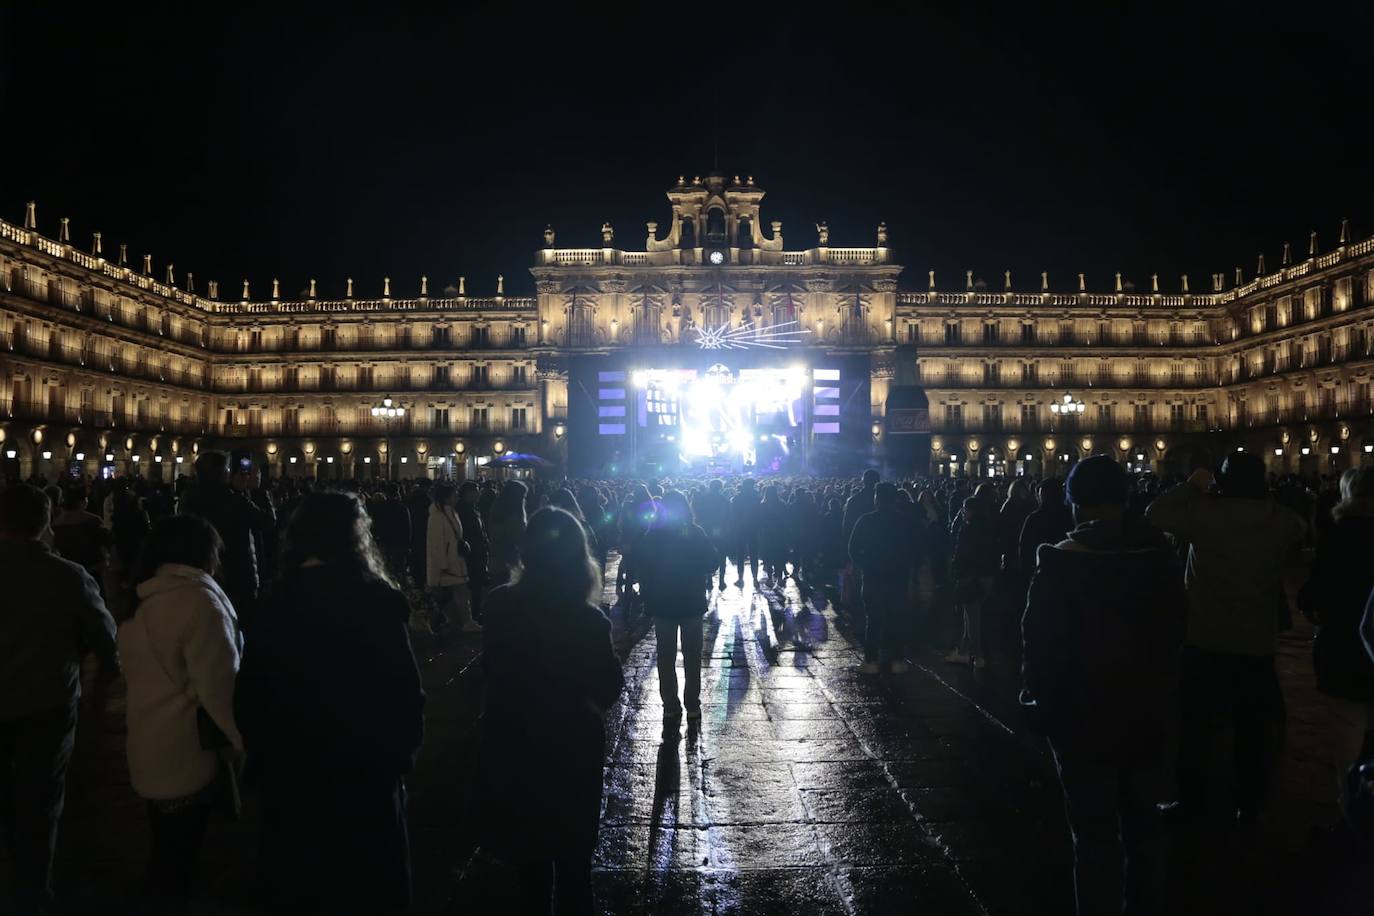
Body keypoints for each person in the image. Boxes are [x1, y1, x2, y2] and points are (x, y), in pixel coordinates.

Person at [235, 492, 425, 914]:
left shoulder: (274, 603)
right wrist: (398, 759)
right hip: (365, 773)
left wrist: (266, 757)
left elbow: (249, 696)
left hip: (292, 775)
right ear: (356, 537)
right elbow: (405, 694)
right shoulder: (377, 601)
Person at [1021, 456, 1187, 916]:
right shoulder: (1161, 560)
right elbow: (1177, 631)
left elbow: (1041, 648)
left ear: (1075, 504)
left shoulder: (1058, 565)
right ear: (1126, 500)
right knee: (1145, 832)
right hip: (1147, 713)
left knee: (1093, 839)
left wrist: (1042, 704)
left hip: (1081, 720)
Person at [1145, 452, 1306, 823]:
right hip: (1256, 641)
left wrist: (1193, 486)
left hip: (1206, 638)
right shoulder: (1279, 522)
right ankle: (1250, 800)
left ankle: (1194, 799)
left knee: (1198, 727)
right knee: (1254, 729)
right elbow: (1300, 527)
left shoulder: (1204, 516)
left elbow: (1155, 513)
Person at [477, 508, 623, 915]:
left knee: (530, 870)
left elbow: (491, 671)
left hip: (516, 742)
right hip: (572, 747)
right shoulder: (588, 619)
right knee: (575, 867)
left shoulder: (499, 606)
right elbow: (608, 687)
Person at [0, 483, 119, 913]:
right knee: (41, 800)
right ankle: (33, 889)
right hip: (46, 702)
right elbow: (105, 637)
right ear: (45, 523)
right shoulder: (68, 576)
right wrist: (103, 676)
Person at [120, 514, 243, 912]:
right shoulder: (199, 602)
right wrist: (245, 744)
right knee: (184, 855)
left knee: (164, 847)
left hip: (147, 740)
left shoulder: (141, 600)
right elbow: (219, 687)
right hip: (189, 747)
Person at [1298, 466, 1374, 820]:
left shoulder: (1342, 536)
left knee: (1349, 739)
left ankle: (1354, 815)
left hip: (1346, 653)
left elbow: (1315, 594)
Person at [637, 490, 719, 722]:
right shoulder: (694, 533)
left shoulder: (653, 536)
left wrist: (647, 596)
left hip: (663, 603)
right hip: (690, 600)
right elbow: (712, 562)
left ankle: (670, 704)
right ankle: (692, 703)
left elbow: (644, 568)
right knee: (692, 655)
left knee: (665, 656)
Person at [177, 452, 270, 628]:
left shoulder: (188, 499)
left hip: (201, 572)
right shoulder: (234, 500)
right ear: (222, 473)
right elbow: (267, 522)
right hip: (238, 576)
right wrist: (257, 490)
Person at [848, 482, 919, 674]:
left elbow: (853, 547)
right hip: (898, 577)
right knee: (897, 618)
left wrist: (864, 565)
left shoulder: (866, 520)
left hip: (873, 576)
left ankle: (871, 661)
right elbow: (914, 548)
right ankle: (897, 660)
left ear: (877, 499)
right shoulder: (905, 521)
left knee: (874, 619)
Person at [949, 489, 1001, 668]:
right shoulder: (990, 527)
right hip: (987, 575)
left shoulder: (968, 529)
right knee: (970, 614)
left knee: (972, 617)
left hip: (970, 575)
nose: (963, 512)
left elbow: (963, 553)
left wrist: (957, 569)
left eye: (965, 509)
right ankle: (963, 651)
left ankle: (978, 655)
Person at [426, 481, 480, 634]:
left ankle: (459, 621)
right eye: (454, 494)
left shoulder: (450, 512)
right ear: (447, 497)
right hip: (448, 563)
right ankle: (462, 622)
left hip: (454, 560)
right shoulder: (437, 516)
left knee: (453, 595)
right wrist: (443, 565)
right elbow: (436, 543)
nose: (457, 496)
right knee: (450, 595)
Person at [51, 488, 112, 597]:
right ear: (82, 501)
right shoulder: (93, 520)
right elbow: (106, 541)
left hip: (67, 570)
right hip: (91, 568)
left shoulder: (56, 523)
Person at [456, 481, 490, 622]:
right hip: (472, 554)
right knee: (474, 585)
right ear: (468, 493)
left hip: (478, 552)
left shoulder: (473, 508)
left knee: (477, 585)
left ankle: (475, 613)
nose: (479, 493)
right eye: (476, 491)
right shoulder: (464, 511)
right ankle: (473, 615)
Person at [488, 480, 528, 590]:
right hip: (510, 561)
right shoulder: (514, 515)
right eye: (523, 497)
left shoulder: (497, 509)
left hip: (496, 559)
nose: (524, 500)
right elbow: (518, 537)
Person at [694, 478, 732, 590]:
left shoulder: (704, 499)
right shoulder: (723, 500)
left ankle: (709, 580)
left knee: (707, 553)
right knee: (722, 555)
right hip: (719, 529)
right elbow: (728, 516)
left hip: (707, 529)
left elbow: (699, 514)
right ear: (720, 487)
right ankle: (721, 580)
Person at [730, 478, 762, 587]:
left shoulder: (737, 498)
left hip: (740, 529)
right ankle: (755, 578)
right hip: (753, 529)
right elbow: (759, 515)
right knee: (754, 554)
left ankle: (740, 578)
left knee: (740, 555)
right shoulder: (756, 498)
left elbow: (733, 514)